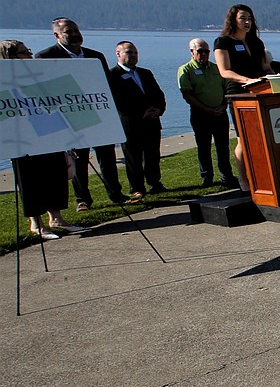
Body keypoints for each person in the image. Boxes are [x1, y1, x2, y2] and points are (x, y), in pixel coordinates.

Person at [35, 17, 126, 210]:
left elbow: (106, 85)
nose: (75, 35)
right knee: (79, 160)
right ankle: (82, 199)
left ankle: (116, 194)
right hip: (70, 118)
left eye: (76, 30)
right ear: (57, 35)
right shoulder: (46, 57)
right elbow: (44, 91)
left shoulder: (95, 56)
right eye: (69, 31)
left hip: (98, 114)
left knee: (107, 157)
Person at [2, 39, 84, 239]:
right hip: (23, 140)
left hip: (49, 133)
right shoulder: (5, 80)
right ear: (11, 57)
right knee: (31, 179)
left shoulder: (37, 77)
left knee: (53, 173)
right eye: (24, 53)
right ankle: (36, 223)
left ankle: (56, 217)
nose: (29, 55)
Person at [214, 4, 270, 192]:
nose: (247, 22)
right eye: (243, 18)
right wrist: (247, 80)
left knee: (262, 137)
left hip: (260, 92)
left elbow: (264, 67)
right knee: (243, 139)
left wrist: (276, 77)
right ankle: (243, 179)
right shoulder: (223, 42)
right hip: (238, 93)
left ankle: (263, 175)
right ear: (233, 20)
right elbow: (224, 71)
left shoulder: (256, 42)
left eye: (250, 19)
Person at [109, 41, 166, 201]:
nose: (133, 56)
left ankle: (155, 182)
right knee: (133, 158)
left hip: (152, 122)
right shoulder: (112, 75)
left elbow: (158, 94)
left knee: (153, 155)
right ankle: (137, 187)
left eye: (135, 53)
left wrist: (158, 110)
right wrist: (142, 113)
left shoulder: (145, 73)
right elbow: (118, 101)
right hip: (130, 123)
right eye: (129, 52)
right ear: (118, 54)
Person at [178, 38, 237, 188]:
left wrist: (223, 105)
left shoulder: (216, 68)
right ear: (192, 52)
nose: (204, 54)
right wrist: (206, 109)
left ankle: (227, 175)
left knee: (223, 146)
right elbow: (187, 94)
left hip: (220, 113)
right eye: (200, 51)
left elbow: (226, 88)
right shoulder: (186, 70)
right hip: (201, 115)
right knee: (204, 147)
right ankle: (207, 177)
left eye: (207, 51)